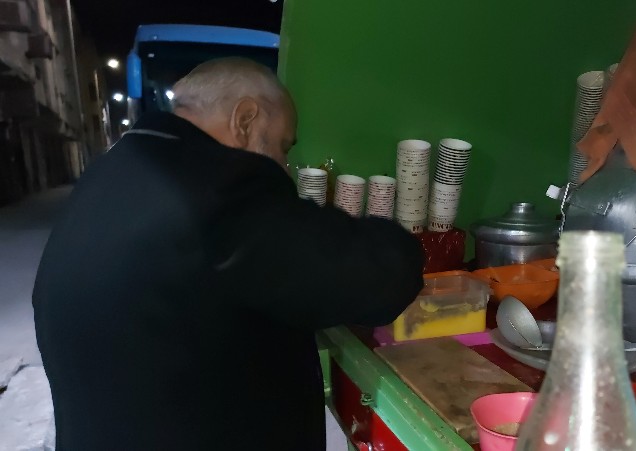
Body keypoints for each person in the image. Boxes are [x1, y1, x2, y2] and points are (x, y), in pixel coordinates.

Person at [32, 57, 424, 450]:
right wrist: (408, 245)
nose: (284, 169)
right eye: (282, 146)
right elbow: (373, 275)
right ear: (245, 120)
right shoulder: (217, 186)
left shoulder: (112, 172)